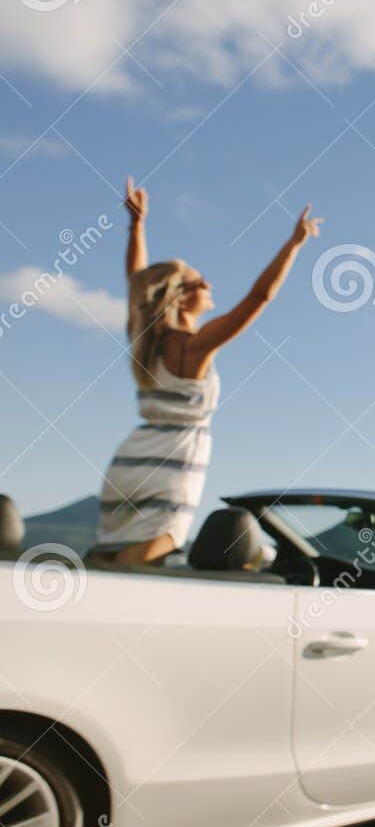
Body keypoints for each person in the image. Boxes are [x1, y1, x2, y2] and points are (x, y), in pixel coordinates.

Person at [92, 178, 322, 566]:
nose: (210, 284)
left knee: (112, 554)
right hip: (171, 461)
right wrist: (294, 244)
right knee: (148, 552)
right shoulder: (190, 347)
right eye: (200, 282)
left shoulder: (146, 339)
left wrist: (136, 226)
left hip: (131, 459)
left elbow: (136, 283)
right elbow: (257, 298)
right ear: (181, 298)